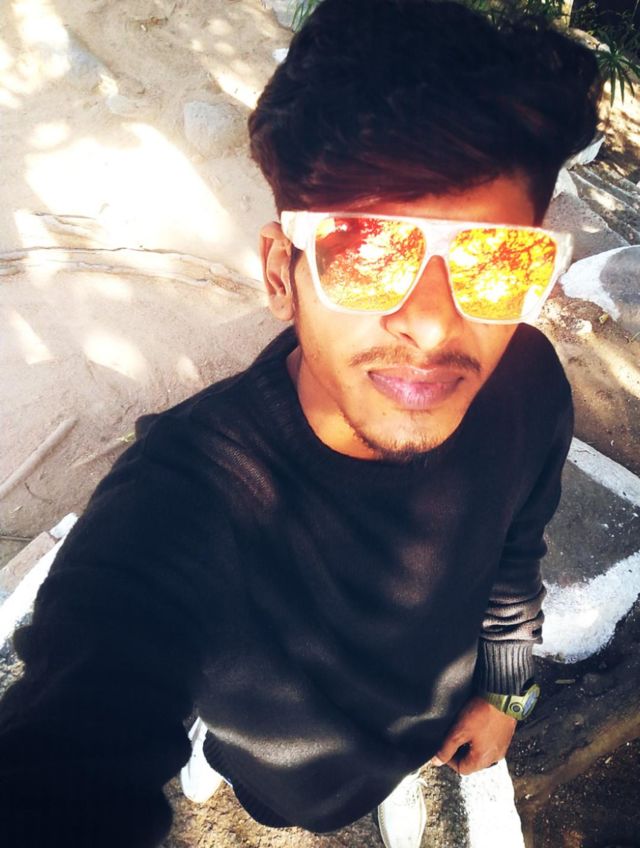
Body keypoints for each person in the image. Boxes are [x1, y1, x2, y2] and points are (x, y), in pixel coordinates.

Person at [0, 1, 601, 846]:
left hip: (430, 724)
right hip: (279, 781)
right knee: (276, 803)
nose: (433, 325)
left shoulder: (527, 380)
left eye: (498, 263)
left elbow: (517, 548)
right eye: (368, 254)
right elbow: (70, 745)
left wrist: (504, 691)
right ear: (284, 272)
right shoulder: (179, 506)